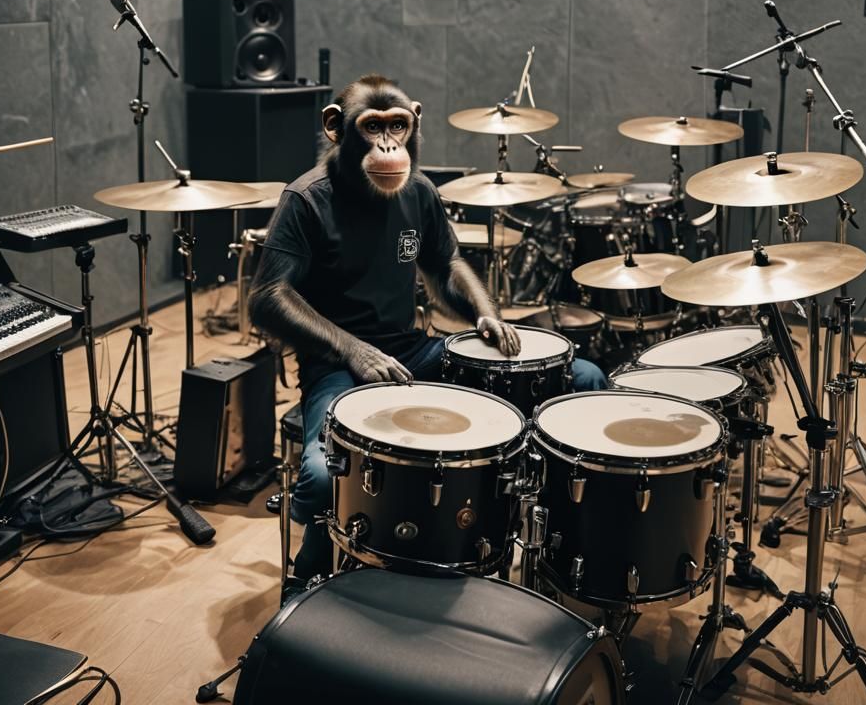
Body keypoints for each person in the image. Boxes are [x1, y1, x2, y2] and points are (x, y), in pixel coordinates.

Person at [249, 75, 606, 589]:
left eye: (397, 127)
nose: (388, 145)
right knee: (324, 475)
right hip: (335, 366)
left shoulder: (417, 191)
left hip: (411, 351)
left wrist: (484, 311)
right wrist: (351, 348)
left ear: (415, 123)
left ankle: (567, 555)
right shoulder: (308, 199)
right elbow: (267, 296)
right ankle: (308, 578)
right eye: (372, 129)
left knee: (583, 379)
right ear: (335, 128)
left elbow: (447, 262)